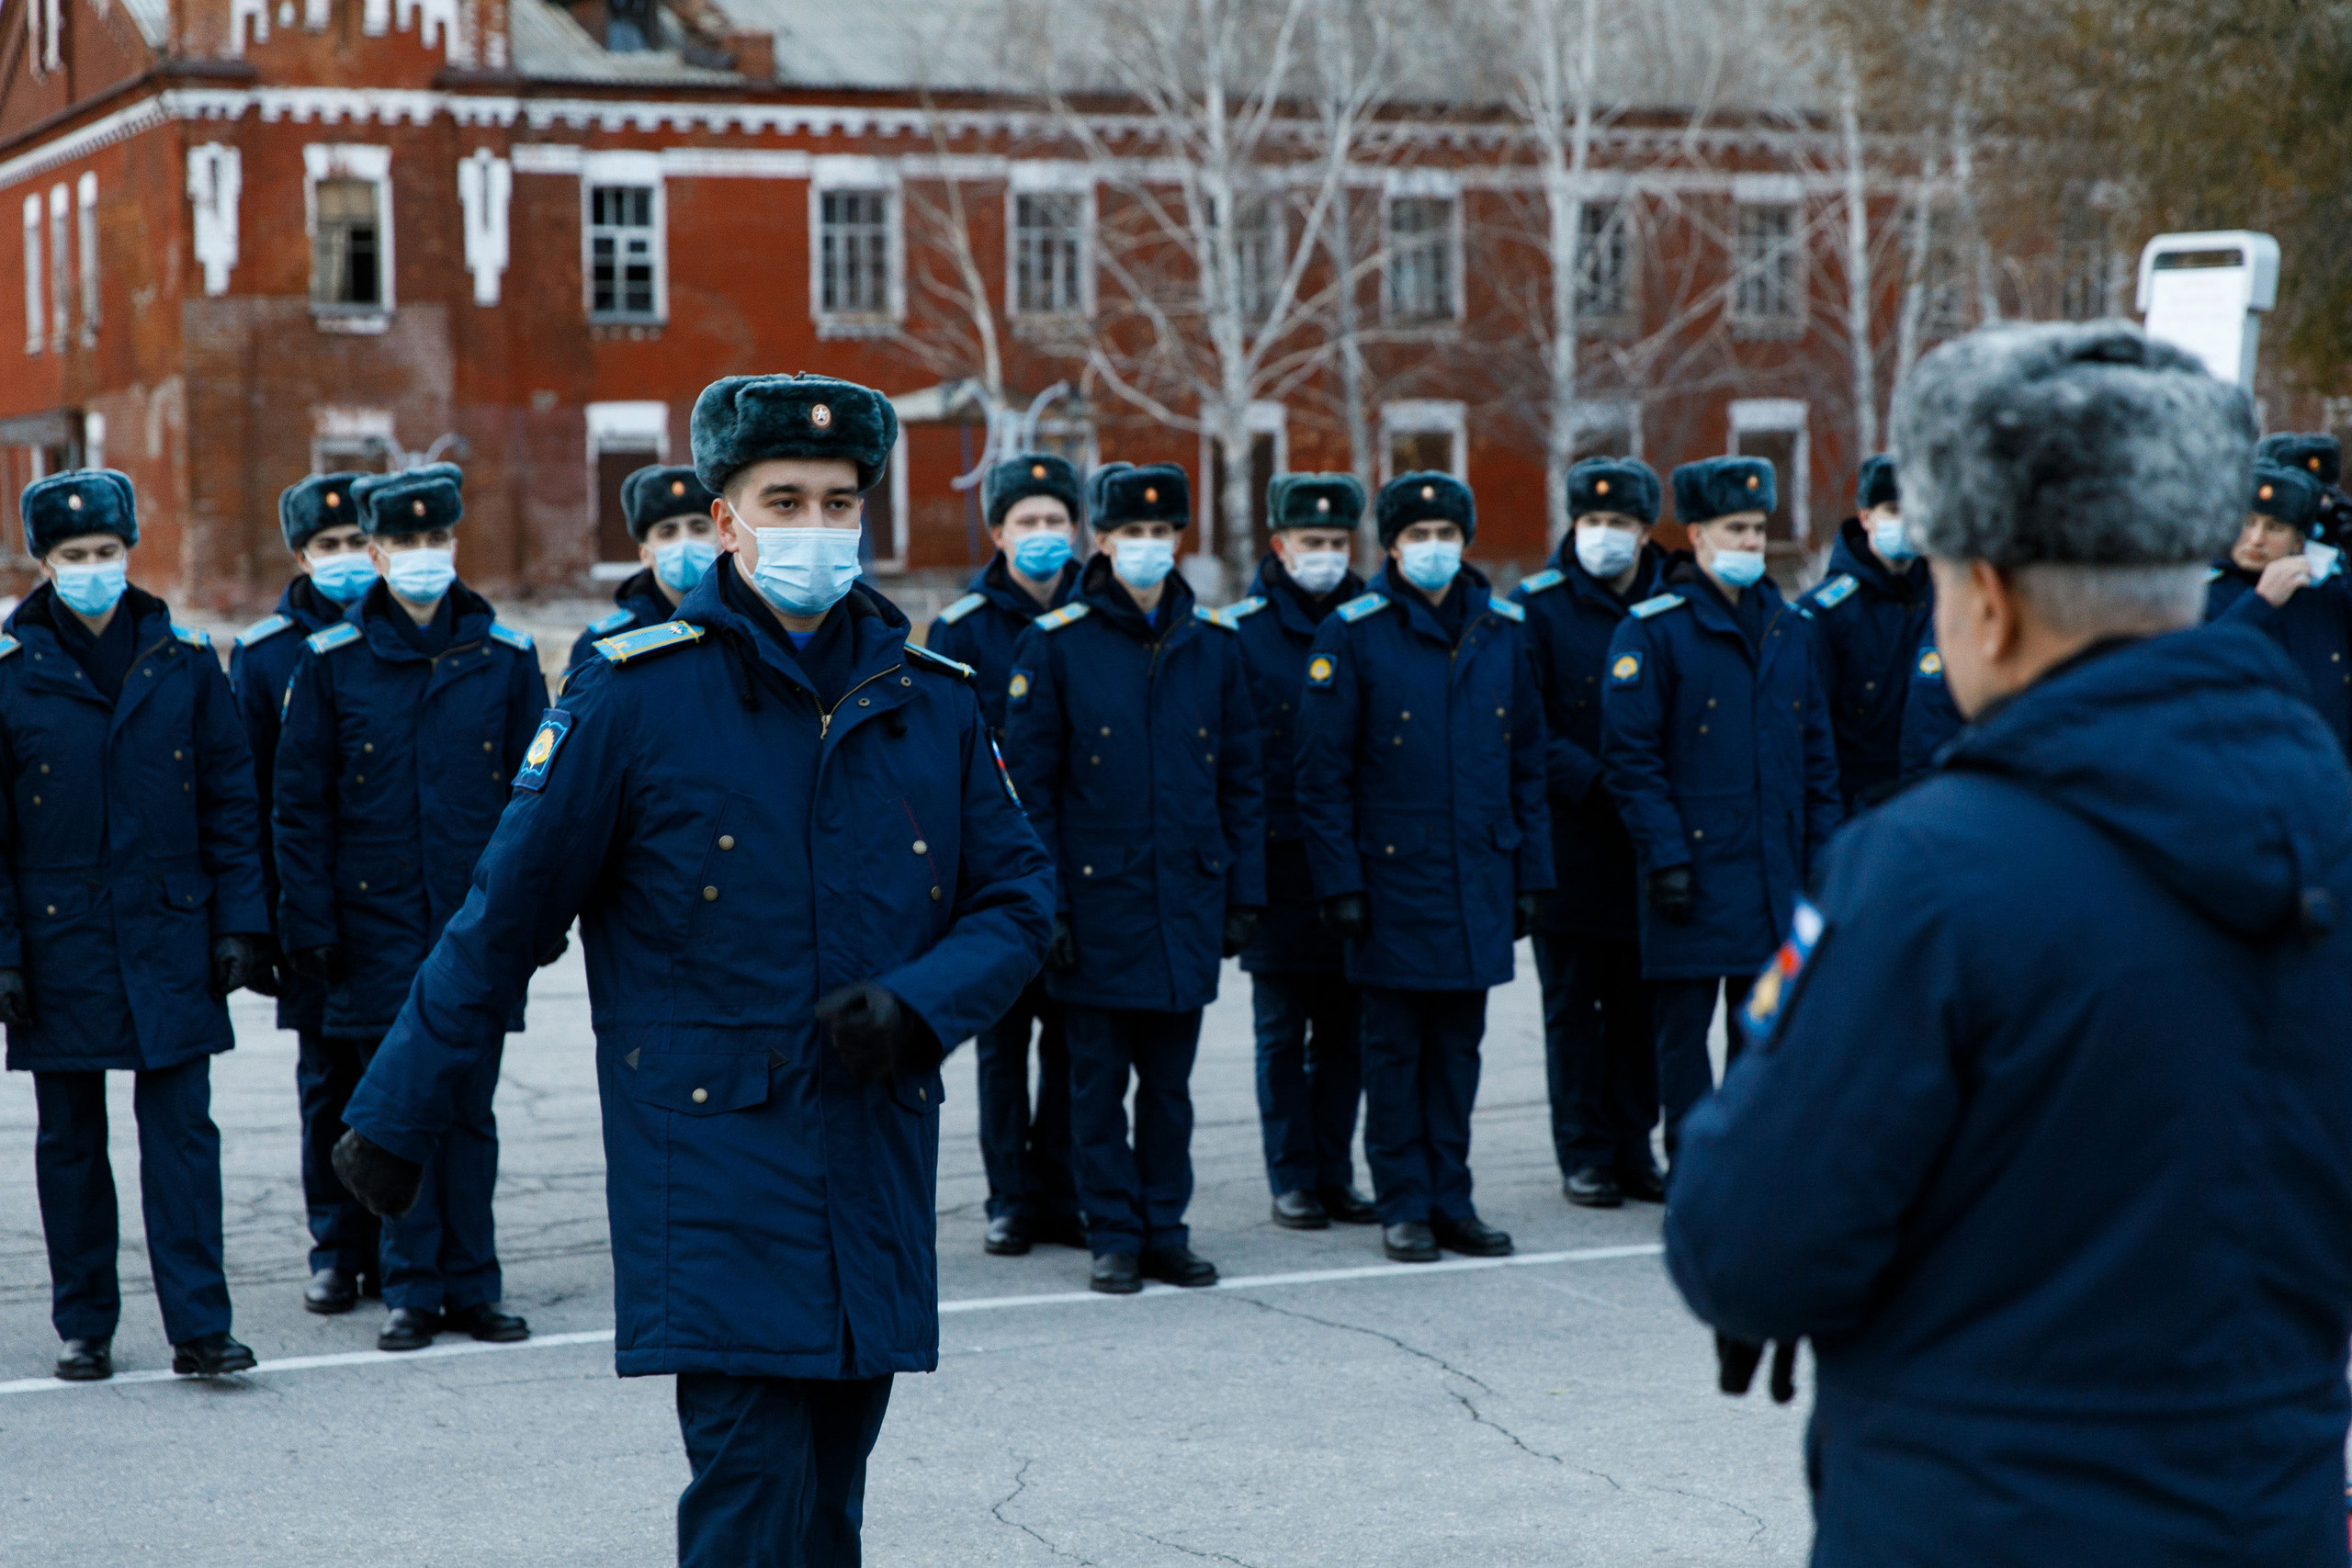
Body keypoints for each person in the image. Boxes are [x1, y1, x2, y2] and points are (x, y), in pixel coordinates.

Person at [329, 372, 1055, 1567]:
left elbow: (1021, 896)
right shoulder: (636, 692)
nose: (815, 526)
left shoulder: (930, 702)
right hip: (714, 1164)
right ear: (725, 518)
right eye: (784, 498)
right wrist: (403, 1108)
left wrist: (923, 1006)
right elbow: (503, 913)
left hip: (870, 1161)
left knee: (830, 1494)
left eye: (837, 500)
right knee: (752, 1491)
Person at [1667, 320, 2352, 1566]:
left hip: (1980, 1521)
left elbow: (1748, 1244)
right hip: (2271, 1513)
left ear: (1985, 594)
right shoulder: (2327, 828)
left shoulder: (1928, 872)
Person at [273, 461, 548, 1353]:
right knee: (394, 1109)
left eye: (438, 540)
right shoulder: (331, 665)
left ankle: (475, 1285)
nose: (424, 556)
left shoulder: (505, 661)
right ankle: (410, 1288)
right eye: (405, 542)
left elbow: (538, 807)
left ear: (453, 545)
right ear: (378, 552)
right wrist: (309, 927)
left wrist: (535, 922)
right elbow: (300, 809)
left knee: (471, 1112)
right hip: (373, 930)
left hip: (472, 930)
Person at [1, 468, 267, 1382]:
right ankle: (85, 1324)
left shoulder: (184, 658)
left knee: (183, 1139)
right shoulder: (11, 673)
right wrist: (3, 953)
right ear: (42, 563)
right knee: (70, 1144)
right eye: (73, 556)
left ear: (130, 553)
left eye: (106, 553)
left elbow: (232, 801)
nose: (92, 569)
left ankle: (201, 1325)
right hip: (57, 940)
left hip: (168, 931)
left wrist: (242, 924)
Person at [1002, 461, 1264, 1294]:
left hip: (1185, 899)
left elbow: (1243, 781)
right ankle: (1112, 1231)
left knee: (1171, 1088)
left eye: (1163, 532)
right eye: (1132, 533)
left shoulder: (1214, 645)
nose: (1149, 546)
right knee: (1095, 1084)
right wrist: (1051, 904)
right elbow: (1031, 794)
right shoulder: (1056, 645)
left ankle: (1165, 1228)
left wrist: (1242, 893)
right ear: (1102, 540)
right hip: (1098, 904)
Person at [1294, 471, 1551, 1263]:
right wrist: (1339, 882)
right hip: (1391, 885)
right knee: (1395, 1052)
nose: (1434, 549)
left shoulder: (1503, 629)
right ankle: (1404, 1201)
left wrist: (1533, 875)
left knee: (1459, 1051)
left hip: (1478, 876)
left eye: (1447, 535)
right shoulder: (1355, 631)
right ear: (1393, 545)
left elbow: (1528, 766)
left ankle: (1453, 1197)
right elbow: (1320, 774)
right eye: (1418, 536)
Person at [1600, 456, 1840, 1164]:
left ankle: (1749, 1162)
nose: (1749, 543)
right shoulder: (1654, 630)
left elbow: (1816, 759)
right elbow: (1631, 761)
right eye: (1735, 528)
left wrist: (1821, 858)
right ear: (1698, 534)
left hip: (1772, 874)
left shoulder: (1788, 626)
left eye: (1758, 528)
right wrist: (1667, 857)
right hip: (1694, 875)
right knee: (1682, 1036)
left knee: (1761, 1029)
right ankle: (1693, 1165)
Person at [229, 471, 383, 1314]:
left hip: (398, 903)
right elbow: (246, 798)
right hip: (311, 912)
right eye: (329, 547)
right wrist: (259, 925)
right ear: (301, 556)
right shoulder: (265, 655)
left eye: (362, 542)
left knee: (399, 1081)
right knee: (327, 1087)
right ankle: (335, 1246)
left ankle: (399, 1247)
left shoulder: (405, 635)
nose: (349, 559)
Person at [927, 452, 1086, 1257]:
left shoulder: (1094, 615)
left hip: (1082, 864)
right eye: (1027, 522)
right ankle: (1009, 1197)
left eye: (1056, 521)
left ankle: (1062, 1187)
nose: (1043, 535)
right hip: (991, 870)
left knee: (1073, 1036)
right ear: (997, 532)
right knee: (1003, 1040)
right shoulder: (961, 629)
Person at [1513, 457, 1668, 1210]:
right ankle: (1584, 1152)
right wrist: (1597, 780)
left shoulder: (1674, 600)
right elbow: (1524, 722)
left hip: (1651, 842)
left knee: (1643, 1004)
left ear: (1646, 531)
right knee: (1574, 1008)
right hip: (1571, 842)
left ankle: (1636, 1147)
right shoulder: (1536, 607)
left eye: (1622, 524)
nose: (1605, 536)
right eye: (1592, 521)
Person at [1227, 472, 1377, 1231]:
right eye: (1310, 542)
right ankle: (1293, 1175)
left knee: (1347, 1032)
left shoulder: (1372, 619)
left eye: (1337, 542)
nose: (1325, 555)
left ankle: (1335, 1170)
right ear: (1280, 546)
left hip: (1355, 858)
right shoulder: (1243, 632)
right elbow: (1235, 763)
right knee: (1283, 1033)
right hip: (1280, 864)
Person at [1797, 456, 1932, 808]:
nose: (1905, 521)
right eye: (1892, 509)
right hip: (1858, 805)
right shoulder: (1827, 612)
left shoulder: (1948, 599)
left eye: (1913, 508)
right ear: (1866, 517)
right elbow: (1812, 730)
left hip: (1934, 796)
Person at [2203, 459, 2352, 756]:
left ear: (2299, 542)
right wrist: (2259, 603)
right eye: (2247, 522)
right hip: (2246, 775)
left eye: (2275, 527)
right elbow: (2196, 662)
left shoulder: (2325, 593)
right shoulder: (2207, 591)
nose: (2256, 539)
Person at [565, 464, 719, 674]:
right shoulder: (603, 643)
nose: (685, 541)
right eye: (667, 532)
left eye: (699, 528)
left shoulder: (748, 625)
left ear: (723, 537)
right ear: (645, 554)